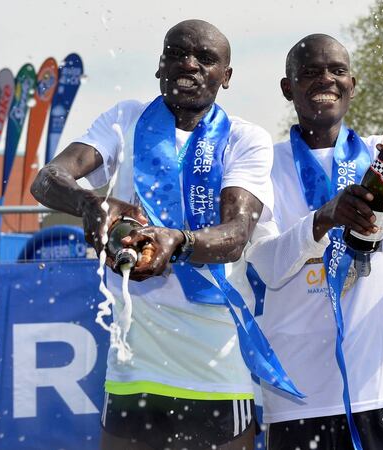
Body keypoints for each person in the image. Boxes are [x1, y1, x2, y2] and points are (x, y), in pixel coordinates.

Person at [31, 20, 278, 450]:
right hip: (134, 360)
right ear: (159, 65)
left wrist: (177, 241)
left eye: (205, 58)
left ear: (227, 76)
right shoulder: (125, 118)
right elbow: (47, 179)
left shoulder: (245, 137)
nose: (189, 64)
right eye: (177, 53)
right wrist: (92, 204)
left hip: (215, 358)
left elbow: (237, 235)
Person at [244, 34, 383, 449]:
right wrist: (322, 219)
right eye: (309, 72)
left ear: (352, 83)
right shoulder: (263, 166)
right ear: (286, 87)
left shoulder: (377, 153)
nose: (325, 80)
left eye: (337, 71)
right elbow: (267, 265)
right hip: (300, 391)